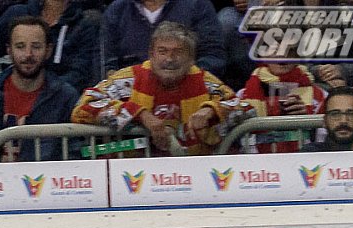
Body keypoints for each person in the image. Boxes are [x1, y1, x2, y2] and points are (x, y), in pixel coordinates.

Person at [73, 21, 246, 157]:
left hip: (194, 173)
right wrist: (139, 114)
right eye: (162, 51)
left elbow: (245, 108)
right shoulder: (128, 79)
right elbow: (83, 108)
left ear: (191, 59)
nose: (169, 59)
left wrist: (212, 110)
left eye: (178, 52)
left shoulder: (205, 82)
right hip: (133, 174)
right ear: (151, 55)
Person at [0, 16, 79, 162]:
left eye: (36, 47)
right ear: (9, 50)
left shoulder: (66, 96)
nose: (28, 54)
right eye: (20, 46)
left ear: (48, 50)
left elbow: (75, 154)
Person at [236, 62, 326, 153]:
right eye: (274, 52)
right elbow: (233, 140)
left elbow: (326, 141)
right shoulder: (242, 96)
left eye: (289, 54)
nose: (282, 57)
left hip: (304, 158)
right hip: (254, 159)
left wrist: (309, 121)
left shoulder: (320, 95)